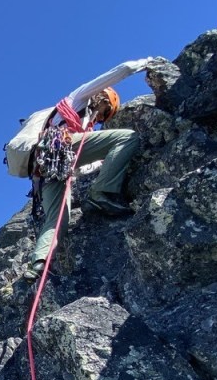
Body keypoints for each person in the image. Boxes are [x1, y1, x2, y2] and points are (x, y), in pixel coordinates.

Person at [20, 57, 155, 280]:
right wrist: (145, 63)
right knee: (128, 137)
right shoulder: (78, 99)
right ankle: (102, 192)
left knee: (58, 216)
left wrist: (102, 163)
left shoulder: (80, 123)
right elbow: (119, 72)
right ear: (104, 99)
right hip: (59, 149)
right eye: (106, 112)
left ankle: (39, 264)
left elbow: (81, 166)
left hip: (45, 167)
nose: (101, 118)